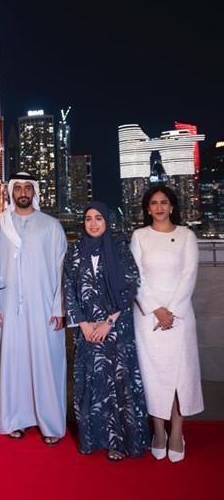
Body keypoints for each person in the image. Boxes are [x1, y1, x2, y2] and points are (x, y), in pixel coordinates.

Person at [0, 171, 67, 443]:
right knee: (13, 363)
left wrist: (59, 308)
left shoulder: (51, 226)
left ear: (34, 192)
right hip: (9, 307)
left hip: (44, 308)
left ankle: (50, 424)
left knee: (47, 363)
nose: (22, 192)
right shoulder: (0, 226)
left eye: (27, 187)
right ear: (11, 191)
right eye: (18, 187)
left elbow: (61, 271)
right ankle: (14, 420)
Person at [64, 202, 149, 461]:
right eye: (88, 218)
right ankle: (92, 440)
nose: (93, 223)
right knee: (92, 382)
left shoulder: (120, 248)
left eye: (98, 218)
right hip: (86, 329)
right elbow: (69, 288)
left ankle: (120, 443)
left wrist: (108, 322)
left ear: (107, 221)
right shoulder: (75, 250)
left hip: (117, 328)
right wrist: (83, 324)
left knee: (117, 383)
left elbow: (131, 284)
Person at [130, 185, 203, 463]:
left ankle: (177, 433)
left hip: (179, 318)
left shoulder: (186, 235)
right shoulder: (139, 236)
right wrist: (156, 310)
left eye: (164, 202)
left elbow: (189, 275)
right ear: (147, 209)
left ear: (172, 206)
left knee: (180, 377)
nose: (159, 207)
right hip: (148, 317)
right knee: (153, 376)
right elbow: (136, 277)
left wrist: (171, 312)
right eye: (154, 203)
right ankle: (159, 432)